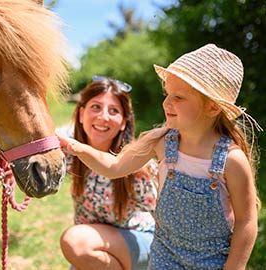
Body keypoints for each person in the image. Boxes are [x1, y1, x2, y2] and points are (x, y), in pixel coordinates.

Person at [59, 44, 262, 270]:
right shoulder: (162, 142)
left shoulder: (231, 160)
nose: (166, 103)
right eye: (167, 95)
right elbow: (114, 166)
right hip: (164, 257)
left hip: (212, 261)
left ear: (213, 107)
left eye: (178, 97)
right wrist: (77, 147)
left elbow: (246, 220)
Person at [58, 76, 158, 270]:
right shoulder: (73, 151)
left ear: (123, 122)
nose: (103, 117)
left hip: (139, 242)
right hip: (95, 247)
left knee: (75, 242)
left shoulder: (135, 162)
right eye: (96, 107)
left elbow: (162, 217)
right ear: (80, 114)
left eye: (114, 111)